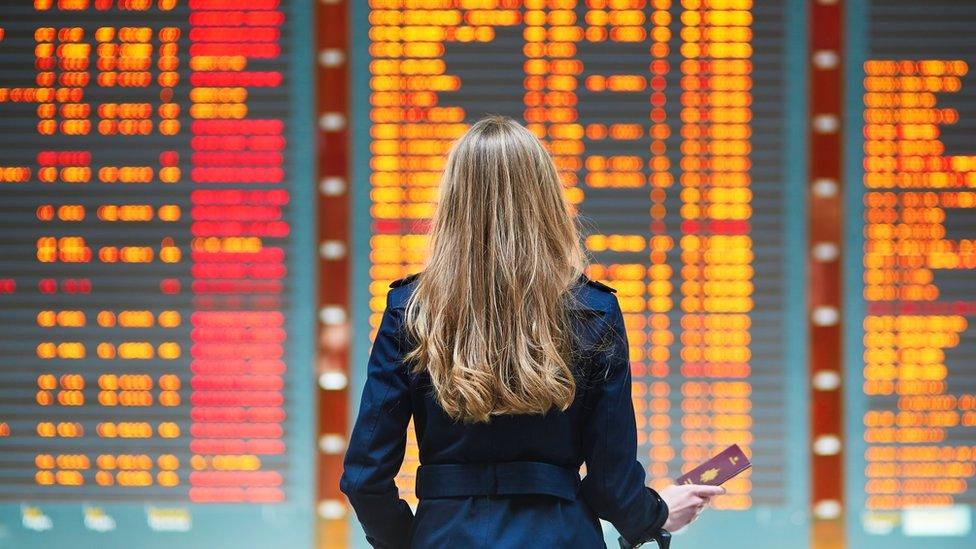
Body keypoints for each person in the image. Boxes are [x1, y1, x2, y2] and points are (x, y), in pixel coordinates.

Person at [340, 115, 724, 548]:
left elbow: (365, 479)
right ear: (546, 198)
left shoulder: (411, 310)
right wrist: (656, 513)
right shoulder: (594, 310)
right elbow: (611, 483)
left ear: (452, 202)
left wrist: (414, 540)